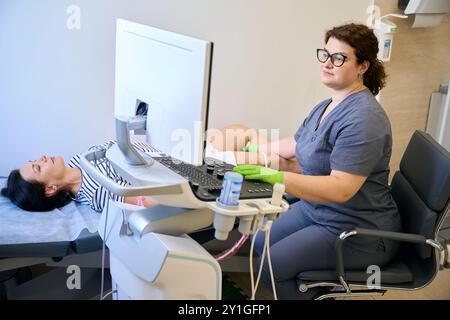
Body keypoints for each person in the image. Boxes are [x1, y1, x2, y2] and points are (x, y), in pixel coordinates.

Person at [225, 23, 401, 299]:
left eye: (339, 58)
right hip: (318, 210)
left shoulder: (364, 119)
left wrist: (276, 177)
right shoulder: (327, 105)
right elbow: (293, 146)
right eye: (325, 54)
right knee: (258, 240)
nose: (328, 63)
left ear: (362, 67)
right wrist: (235, 152)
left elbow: (340, 189)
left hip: (357, 229)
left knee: (269, 266)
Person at [1, 141, 157, 212]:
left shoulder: (77, 160)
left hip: (157, 149)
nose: (42, 157)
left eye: (34, 160)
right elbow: (152, 200)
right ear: (50, 189)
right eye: (38, 167)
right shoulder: (97, 193)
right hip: (167, 169)